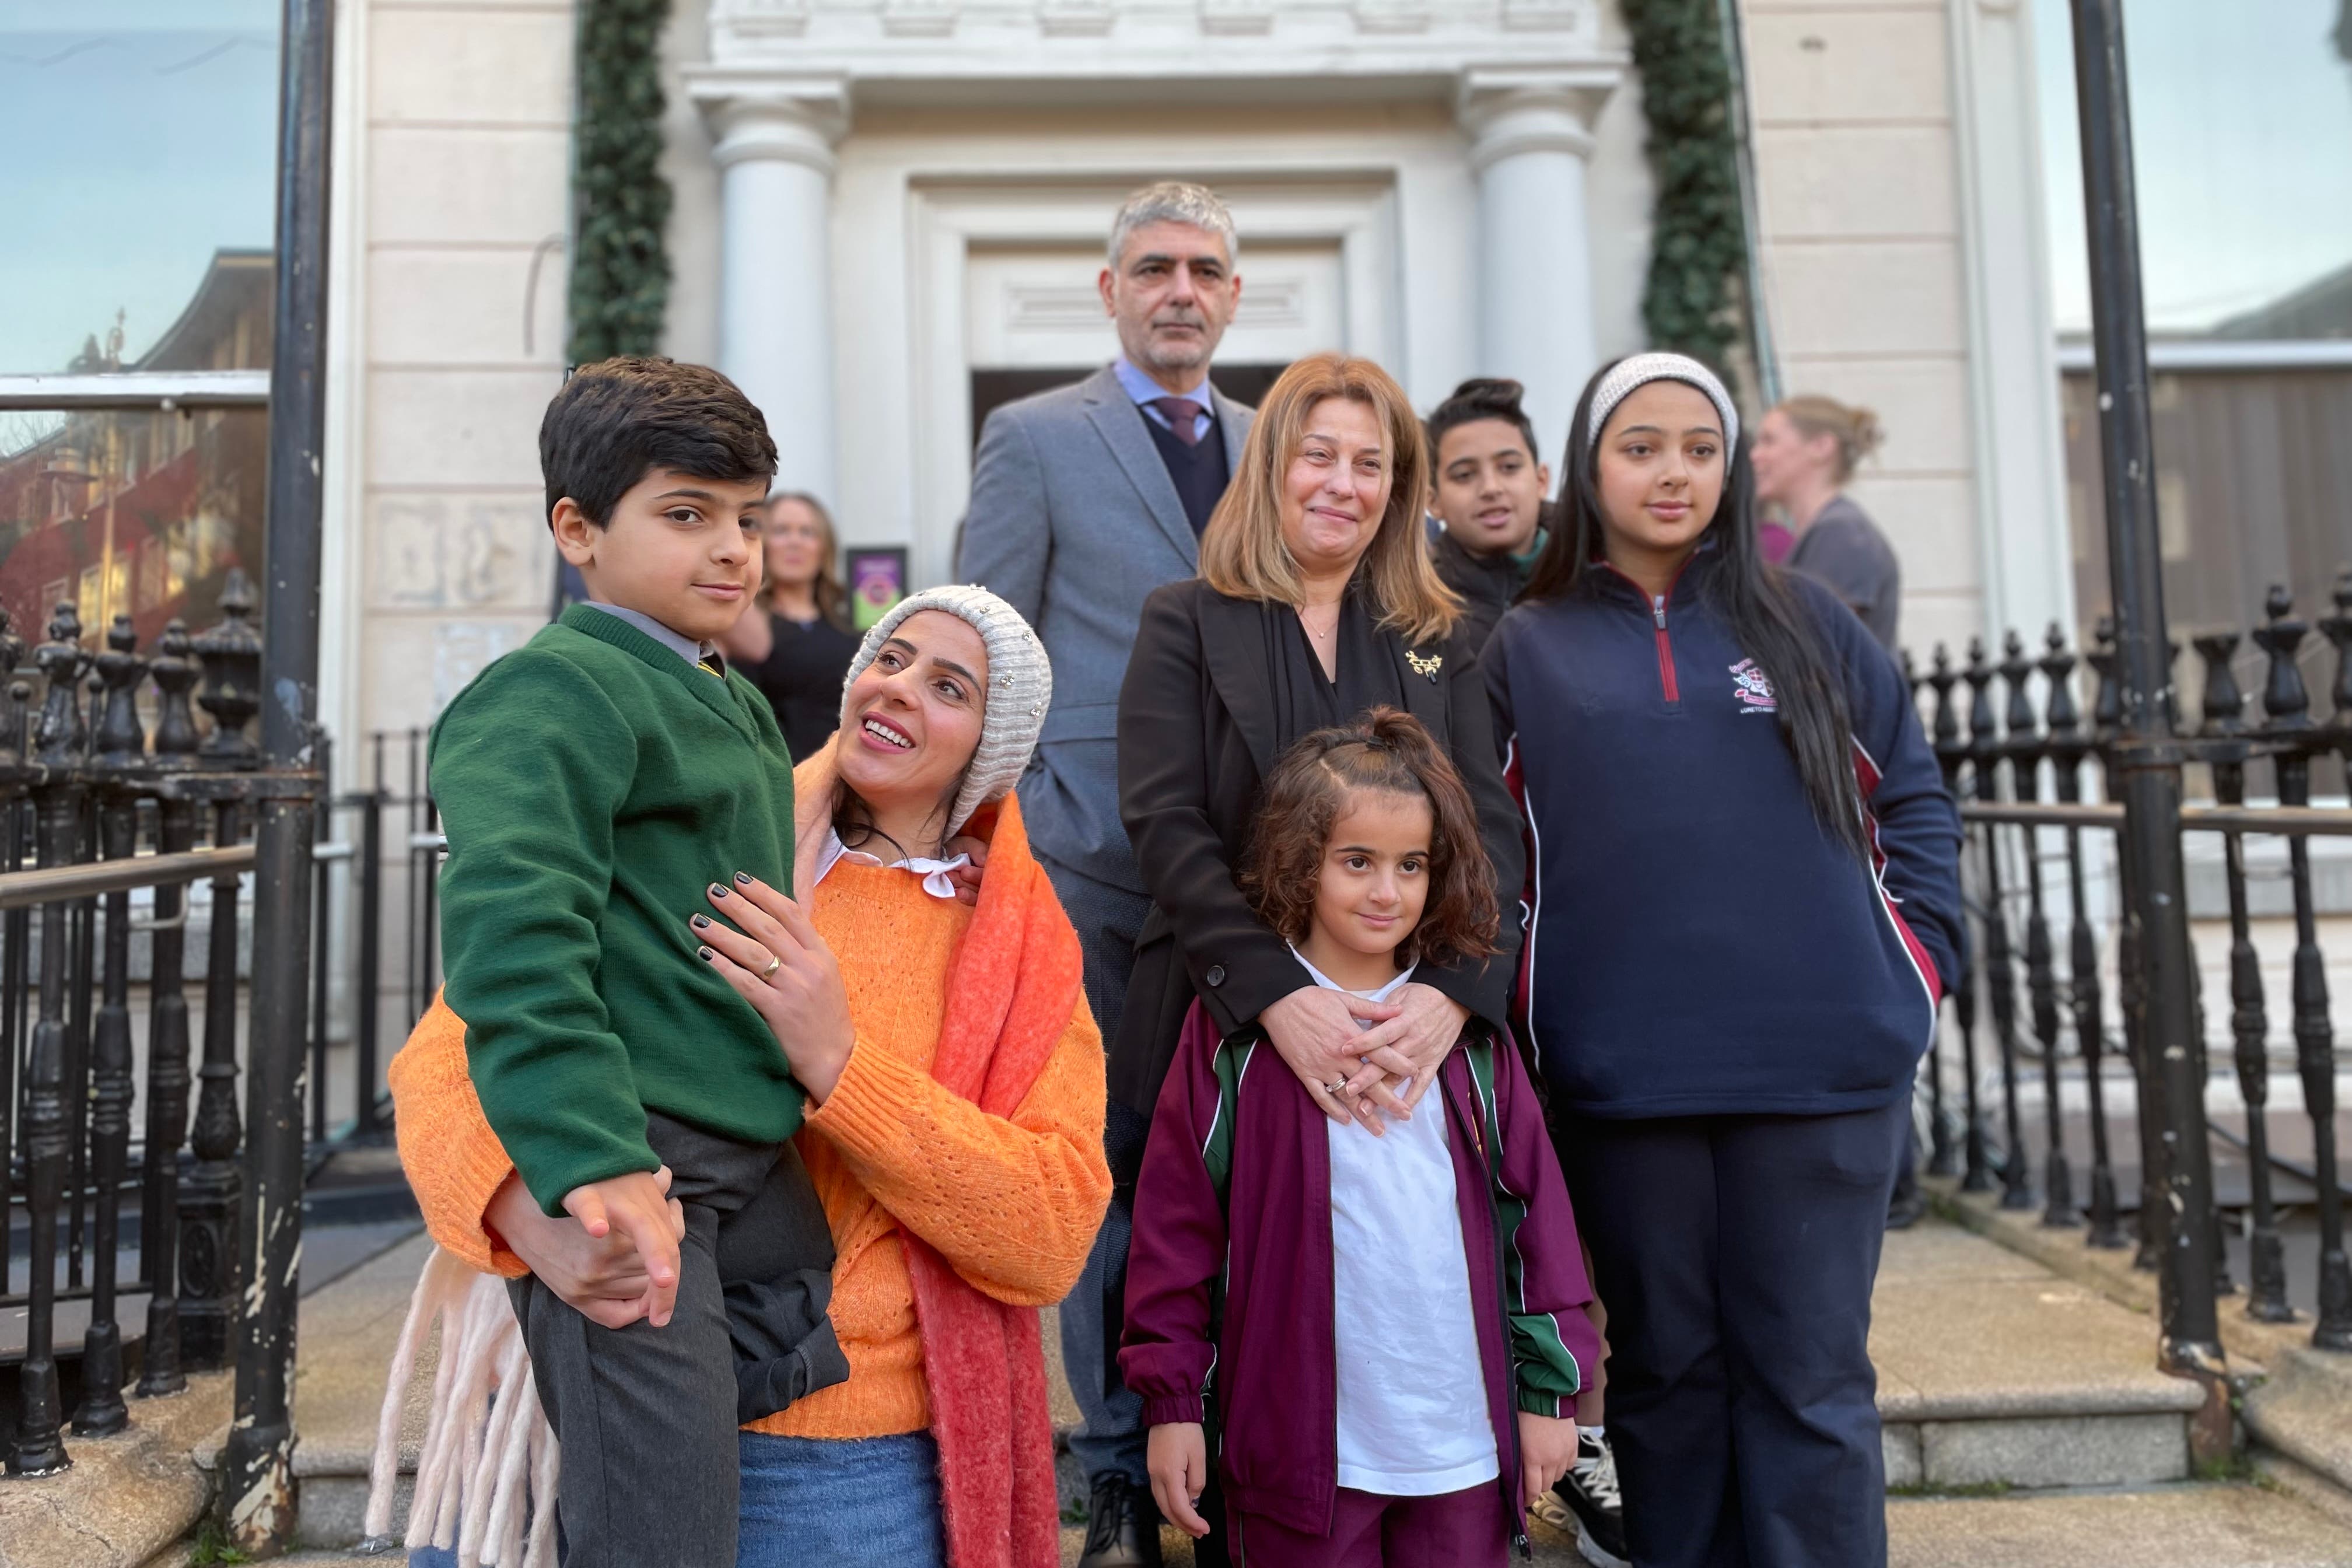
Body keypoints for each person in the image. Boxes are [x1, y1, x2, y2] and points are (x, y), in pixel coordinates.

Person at [377, 586, 1111, 1568]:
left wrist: (839, 1065)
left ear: (994, 745)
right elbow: (455, 1044)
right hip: (572, 1403)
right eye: (889, 658)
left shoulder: (1013, 946)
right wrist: (527, 1208)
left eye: (950, 686)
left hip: (832, 1465)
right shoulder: (703, 830)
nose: (898, 688)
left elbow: (1053, 1230)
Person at [1484, 352, 1962, 1568]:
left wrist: (1919, 968)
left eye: (1700, 448)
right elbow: (1490, 858)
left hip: (1823, 1070)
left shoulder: (1811, 624)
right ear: (1590, 469)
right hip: (1621, 1079)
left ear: (1735, 466)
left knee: (1809, 1387)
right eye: (1640, 447)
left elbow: (1911, 801)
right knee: (1667, 1385)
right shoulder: (1524, 646)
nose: (1673, 472)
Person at [425, 355, 848, 1568]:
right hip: (639, 1161)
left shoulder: (735, 697)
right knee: (662, 1535)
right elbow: (516, 940)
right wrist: (591, 1160)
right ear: (579, 530)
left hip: (747, 1160)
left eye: (749, 519)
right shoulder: (551, 693)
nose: (733, 549)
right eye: (686, 514)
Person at [957, 178, 1254, 1568]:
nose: (1179, 289)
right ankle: (1120, 1468)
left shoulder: (1280, 444)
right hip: (1093, 855)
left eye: (1203, 268)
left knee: (1250, 1161)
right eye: (1154, 267)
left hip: (1265, 856)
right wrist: (993, 830)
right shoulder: (1033, 436)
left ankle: (1244, 1445)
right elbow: (984, 644)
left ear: (1234, 295)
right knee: (1114, 1162)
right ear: (1112, 290)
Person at [1122, 709, 1598, 1568]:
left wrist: (1549, 1396)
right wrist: (1172, 1404)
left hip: (1459, 1445)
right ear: (1301, 864)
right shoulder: (1233, 1039)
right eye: (1358, 862)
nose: (1388, 892)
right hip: (1292, 1458)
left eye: (1410, 866)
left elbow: (1538, 1227)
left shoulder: (1472, 1042)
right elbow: (1175, 1231)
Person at [1750, 394, 1900, 652]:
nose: (1755, 455)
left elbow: (1819, 651)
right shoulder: (1828, 530)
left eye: (1769, 441)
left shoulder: (1842, 534)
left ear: (1821, 447)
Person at [720, 491, 862, 760]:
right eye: (781, 530)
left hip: (845, 773)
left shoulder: (849, 626)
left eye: (807, 532)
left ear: (824, 547)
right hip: (774, 771)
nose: (794, 542)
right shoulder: (742, 620)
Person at [1424, 377, 1550, 652]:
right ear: (1433, 501)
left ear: (1541, 480)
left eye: (1509, 467)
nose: (1491, 489)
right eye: (1465, 475)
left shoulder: (1597, 580)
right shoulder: (1423, 616)